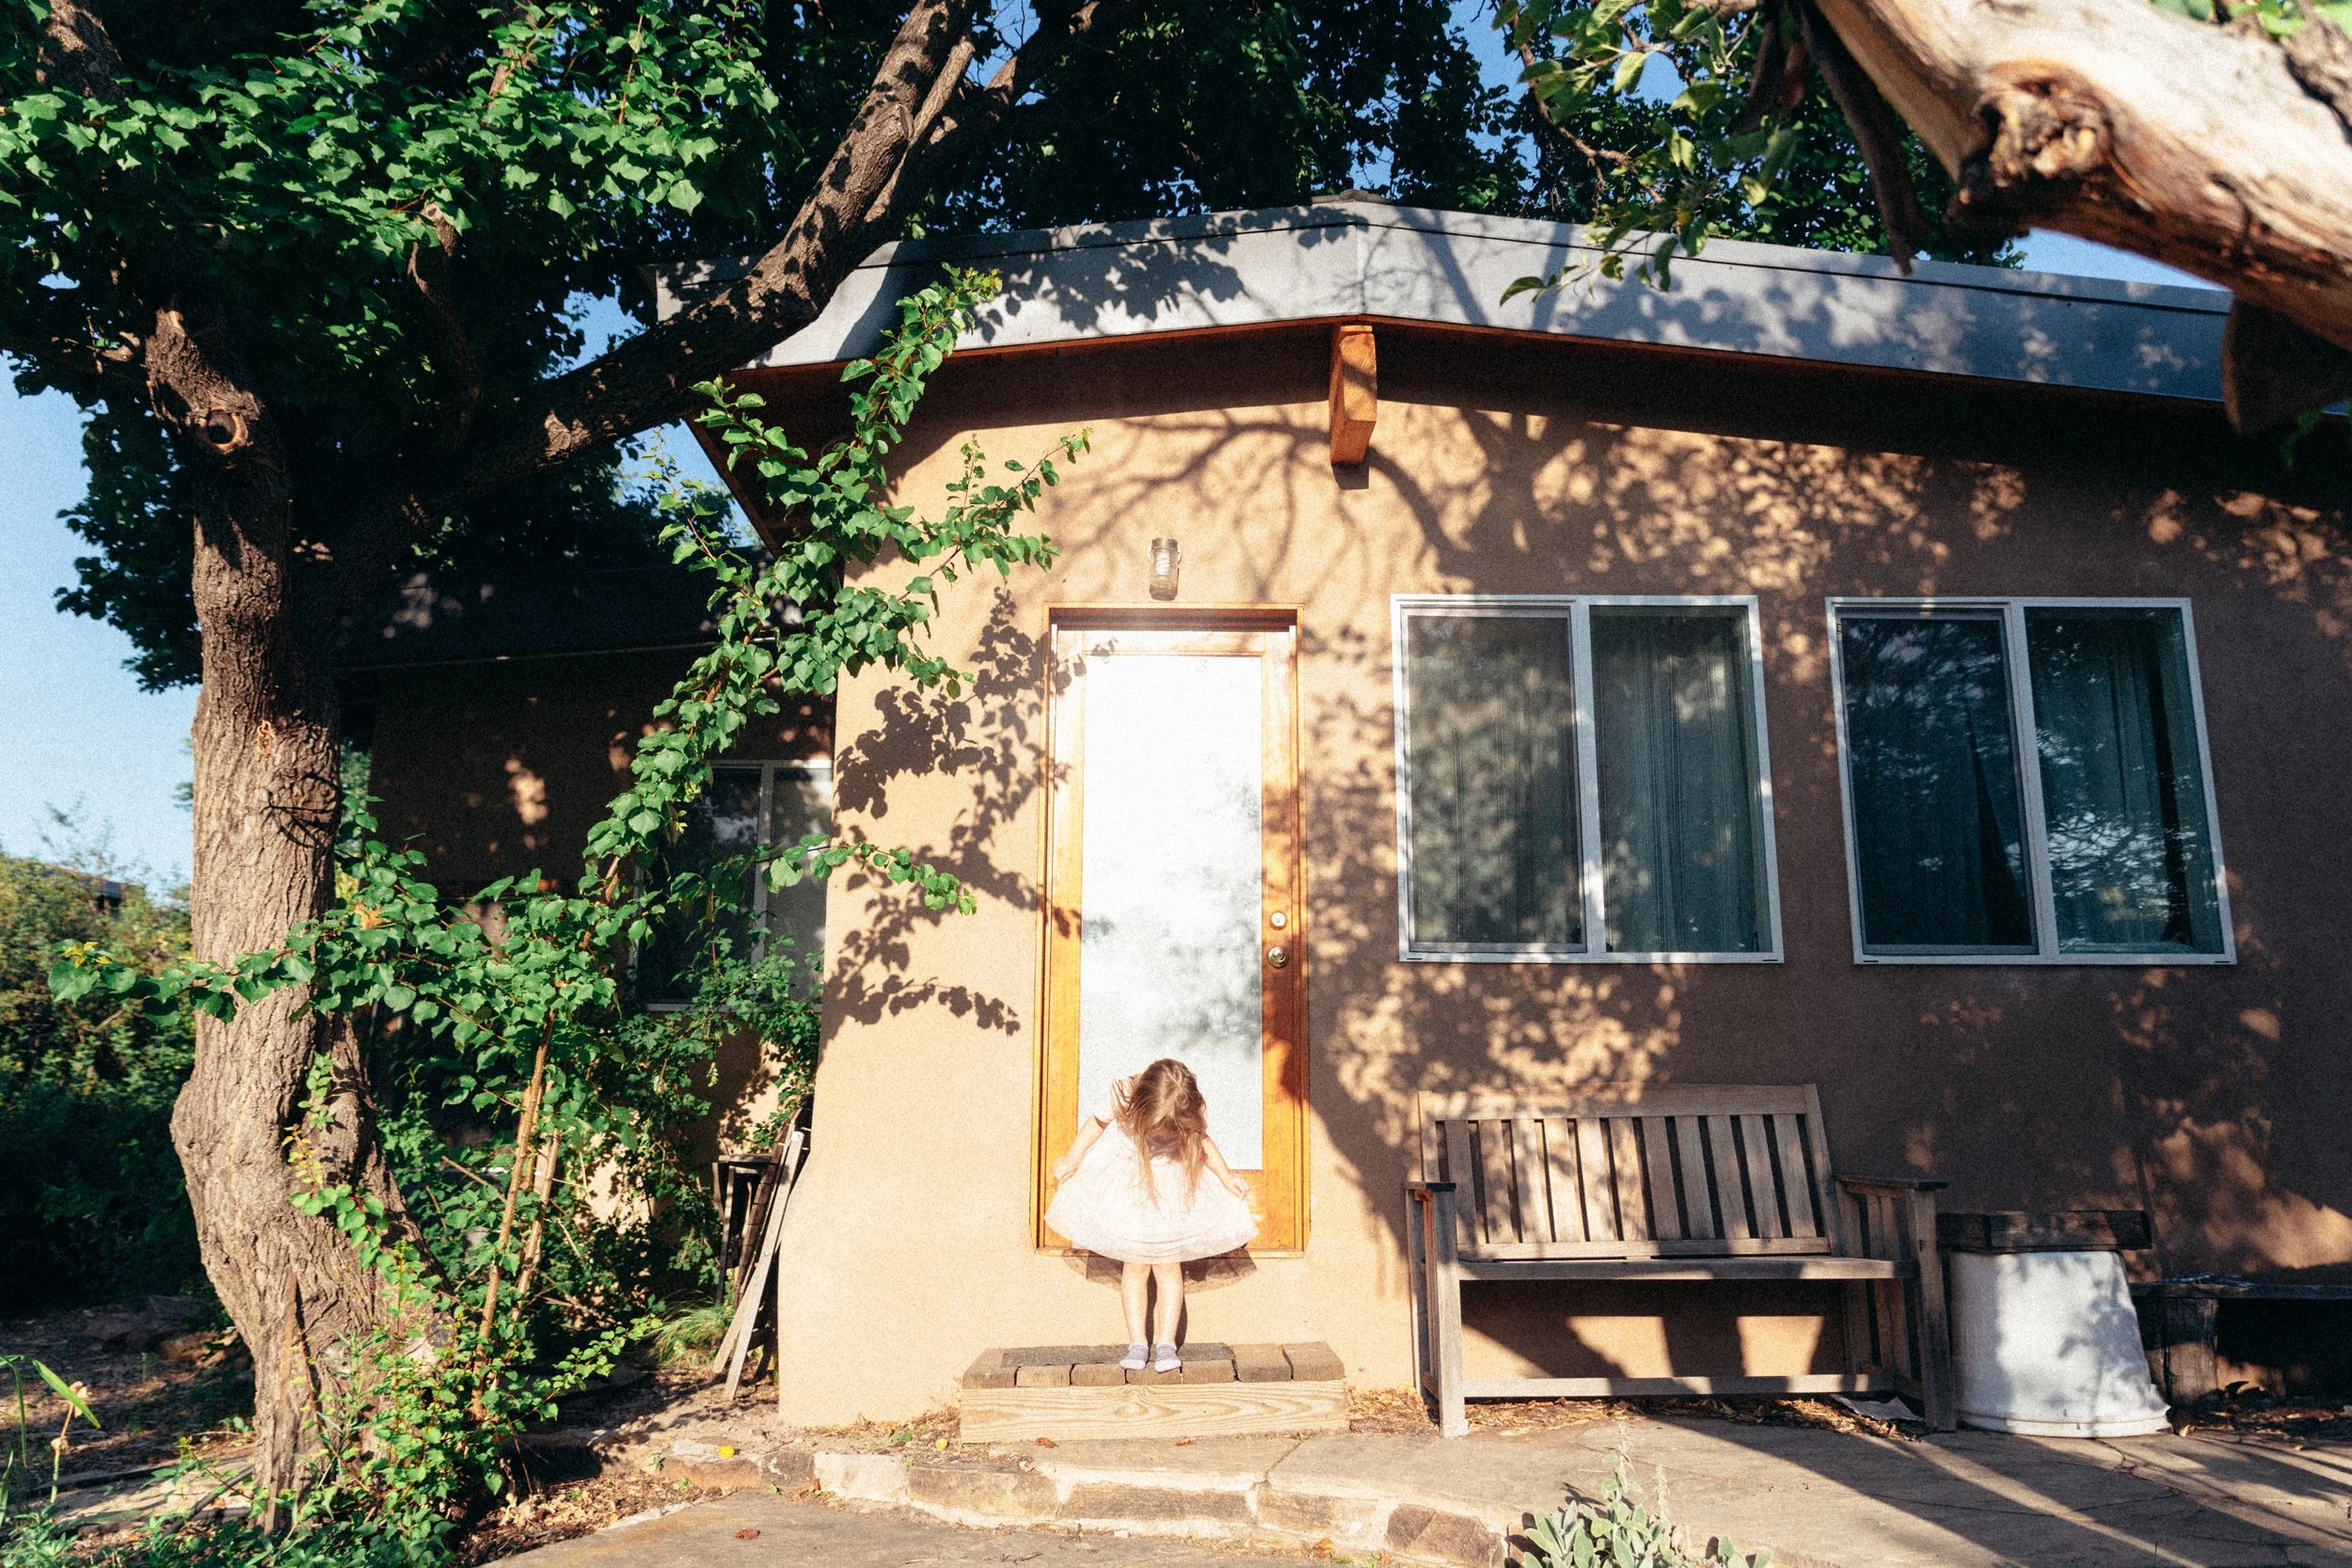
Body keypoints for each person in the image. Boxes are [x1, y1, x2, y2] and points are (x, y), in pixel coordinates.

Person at [1044, 1057, 1259, 1371]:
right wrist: (1074, 1156)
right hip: (1132, 1189)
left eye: (1170, 1132)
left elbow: (1203, 1143)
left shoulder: (1184, 1109)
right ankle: (1137, 1343)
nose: (1162, 1137)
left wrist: (1227, 1177)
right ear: (1142, 1104)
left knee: (1168, 1265)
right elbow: (1096, 1124)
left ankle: (1167, 1343)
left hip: (1170, 1193)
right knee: (1135, 1265)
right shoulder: (1124, 1097)